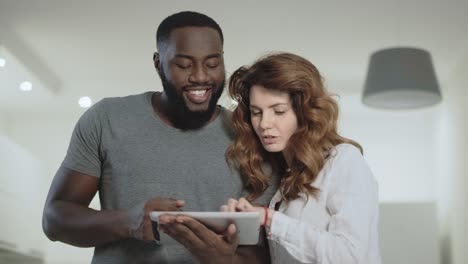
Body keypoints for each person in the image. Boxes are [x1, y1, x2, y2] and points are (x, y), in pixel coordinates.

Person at [42, 11, 277, 263]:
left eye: (212, 64)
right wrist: (127, 221)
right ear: (158, 63)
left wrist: (225, 261)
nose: (200, 76)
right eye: (184, 65)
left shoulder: (251, 135)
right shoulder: (107, 119)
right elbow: (54, 219)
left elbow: (268, 251)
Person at [222, 52, 381, 263]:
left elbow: (349, 256)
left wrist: (270, 220)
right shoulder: (283, 183)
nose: (264, 124)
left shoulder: (344, 161)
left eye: (278, 111)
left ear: (304, 112)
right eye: (256, 112)